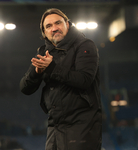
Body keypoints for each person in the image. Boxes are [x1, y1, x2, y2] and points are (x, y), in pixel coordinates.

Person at [20, 8, 102, 150]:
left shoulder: (85, 45)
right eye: (49, 26)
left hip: (82, 125)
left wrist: (51, 68)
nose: (54, 28)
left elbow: (84, 80)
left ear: (67, 25)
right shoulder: (43, 53)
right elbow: (24, 88)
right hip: (55, 126)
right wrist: (37, 73)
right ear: (44, 33)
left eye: (58, 23)